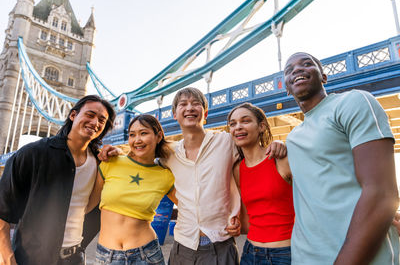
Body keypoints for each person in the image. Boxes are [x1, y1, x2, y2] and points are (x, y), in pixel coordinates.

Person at [99, 87, 286, 265]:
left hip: (220, 245)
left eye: (195, 103)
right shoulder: (168, 153)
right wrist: (116, 153)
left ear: (205, 113)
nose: (189, 107)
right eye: (183, 104)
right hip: (183, 247)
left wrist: (278, 143)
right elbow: (141, 154)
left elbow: (255, 153)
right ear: (174, 115)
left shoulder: (227, 141)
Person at [283, 52, 399, 264]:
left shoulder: (353, 102)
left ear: (324, 77)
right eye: (289, 70)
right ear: (287, 88)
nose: (297, 69)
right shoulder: (291, 138)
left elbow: (383, 194)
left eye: (307, 64)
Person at [0, 95, 116, 265]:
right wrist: (7, 258)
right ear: (73, 115)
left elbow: (87, 207)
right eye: (90, 115)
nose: (95, 122)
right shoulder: (32, 153)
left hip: (75, 257)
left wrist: (113, 162)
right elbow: (2, 210)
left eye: (101, 120)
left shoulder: (100, 163)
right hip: (32, 258)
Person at [88, 114, 175, 265]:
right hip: (106, 256)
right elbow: (87, 203)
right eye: (132, 135)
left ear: (158, 136)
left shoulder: (165, 176)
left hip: (146, 255)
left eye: (144, 133)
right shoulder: (111, 162)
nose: (137, 140)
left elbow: (189, 208)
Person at [227, 102, 294, 265]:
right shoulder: (237, 169)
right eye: (233, 124)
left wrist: (283, 144)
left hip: (285, 253)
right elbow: (246, 223)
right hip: (250, 252)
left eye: (245, 121)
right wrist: (233, 225)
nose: (238, 127)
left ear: (262, 126)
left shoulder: (281, 159)